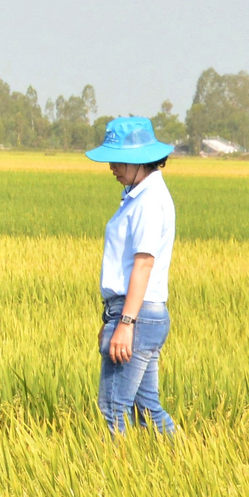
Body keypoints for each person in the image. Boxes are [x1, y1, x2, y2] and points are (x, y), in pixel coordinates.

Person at [86, 116, 177, 434]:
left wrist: (125, 324)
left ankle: (116, 477)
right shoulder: (140, 196)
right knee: (147, 408)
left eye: (118, 160)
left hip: (136, 316)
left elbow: (143, 264)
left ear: (140, 160)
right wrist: (112, 319)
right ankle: (185, 464)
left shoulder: (149, 202)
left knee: (113, 407)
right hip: (137, 313)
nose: (111, 166)